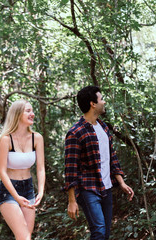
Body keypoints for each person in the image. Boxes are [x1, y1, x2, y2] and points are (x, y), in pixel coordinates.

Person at [64, 86, 134, 240]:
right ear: (92, 104)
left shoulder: (103, 127)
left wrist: (121, 182)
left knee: (105, 233)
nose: (104, 101)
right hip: (88, 189)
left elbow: (111, 157)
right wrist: (71, 200)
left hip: (106, 187)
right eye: (101, 99)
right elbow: (70, 168)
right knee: (99, 231)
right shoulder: (75, 132)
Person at [0, 99, 45, 240]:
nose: (33, 114)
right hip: (9, 190)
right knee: (24, 236)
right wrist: (16, 196)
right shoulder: (6, 139)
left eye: (32, 111)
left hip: (28, 188)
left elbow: (40, 168)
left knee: (26, 237)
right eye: (28, 111)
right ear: (17, 114)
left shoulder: (37, 138)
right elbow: (2, 172)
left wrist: (40, 191)